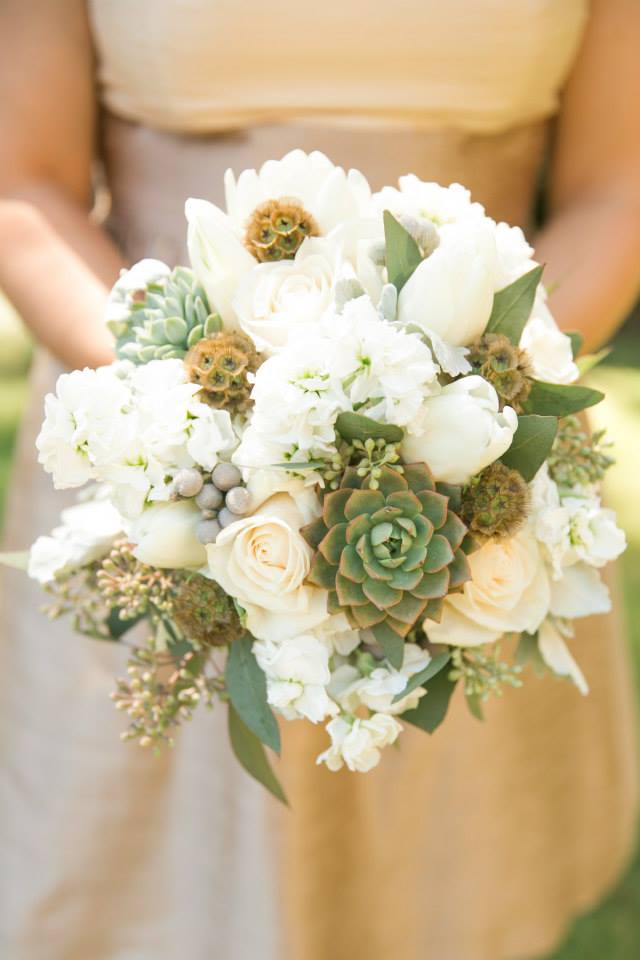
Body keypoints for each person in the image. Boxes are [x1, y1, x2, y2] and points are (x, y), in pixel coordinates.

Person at [1, 1, 639, 958]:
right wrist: (199, 434)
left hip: (476, 466)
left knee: (446, 895)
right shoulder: (175, 437)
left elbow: (619, 183)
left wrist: (473, 408)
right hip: (164, 450)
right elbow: (23, 188)